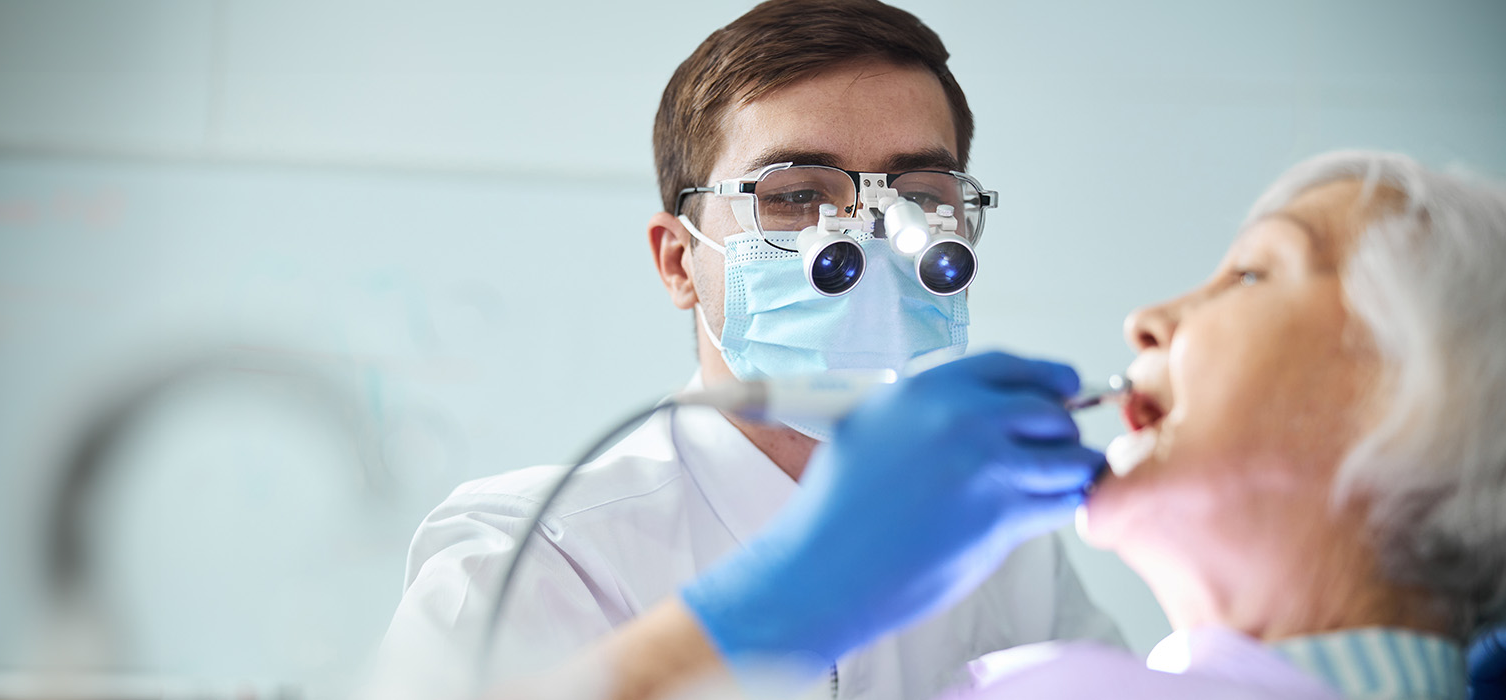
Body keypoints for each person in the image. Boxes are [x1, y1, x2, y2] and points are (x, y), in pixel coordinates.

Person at [544, 151, 1506, 700]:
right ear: (677, 257)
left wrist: (765, 616)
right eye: (794, 195)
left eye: (1249, 274)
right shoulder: (534, 535)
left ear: (1429, 399)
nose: (1149, 316)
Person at [374, 2, 1121, 698]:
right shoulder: (528, 553)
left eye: (920, 197)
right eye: (795, 195)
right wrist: (785, 603)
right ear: (678, 262)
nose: (870, 237)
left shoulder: (1001, 546)